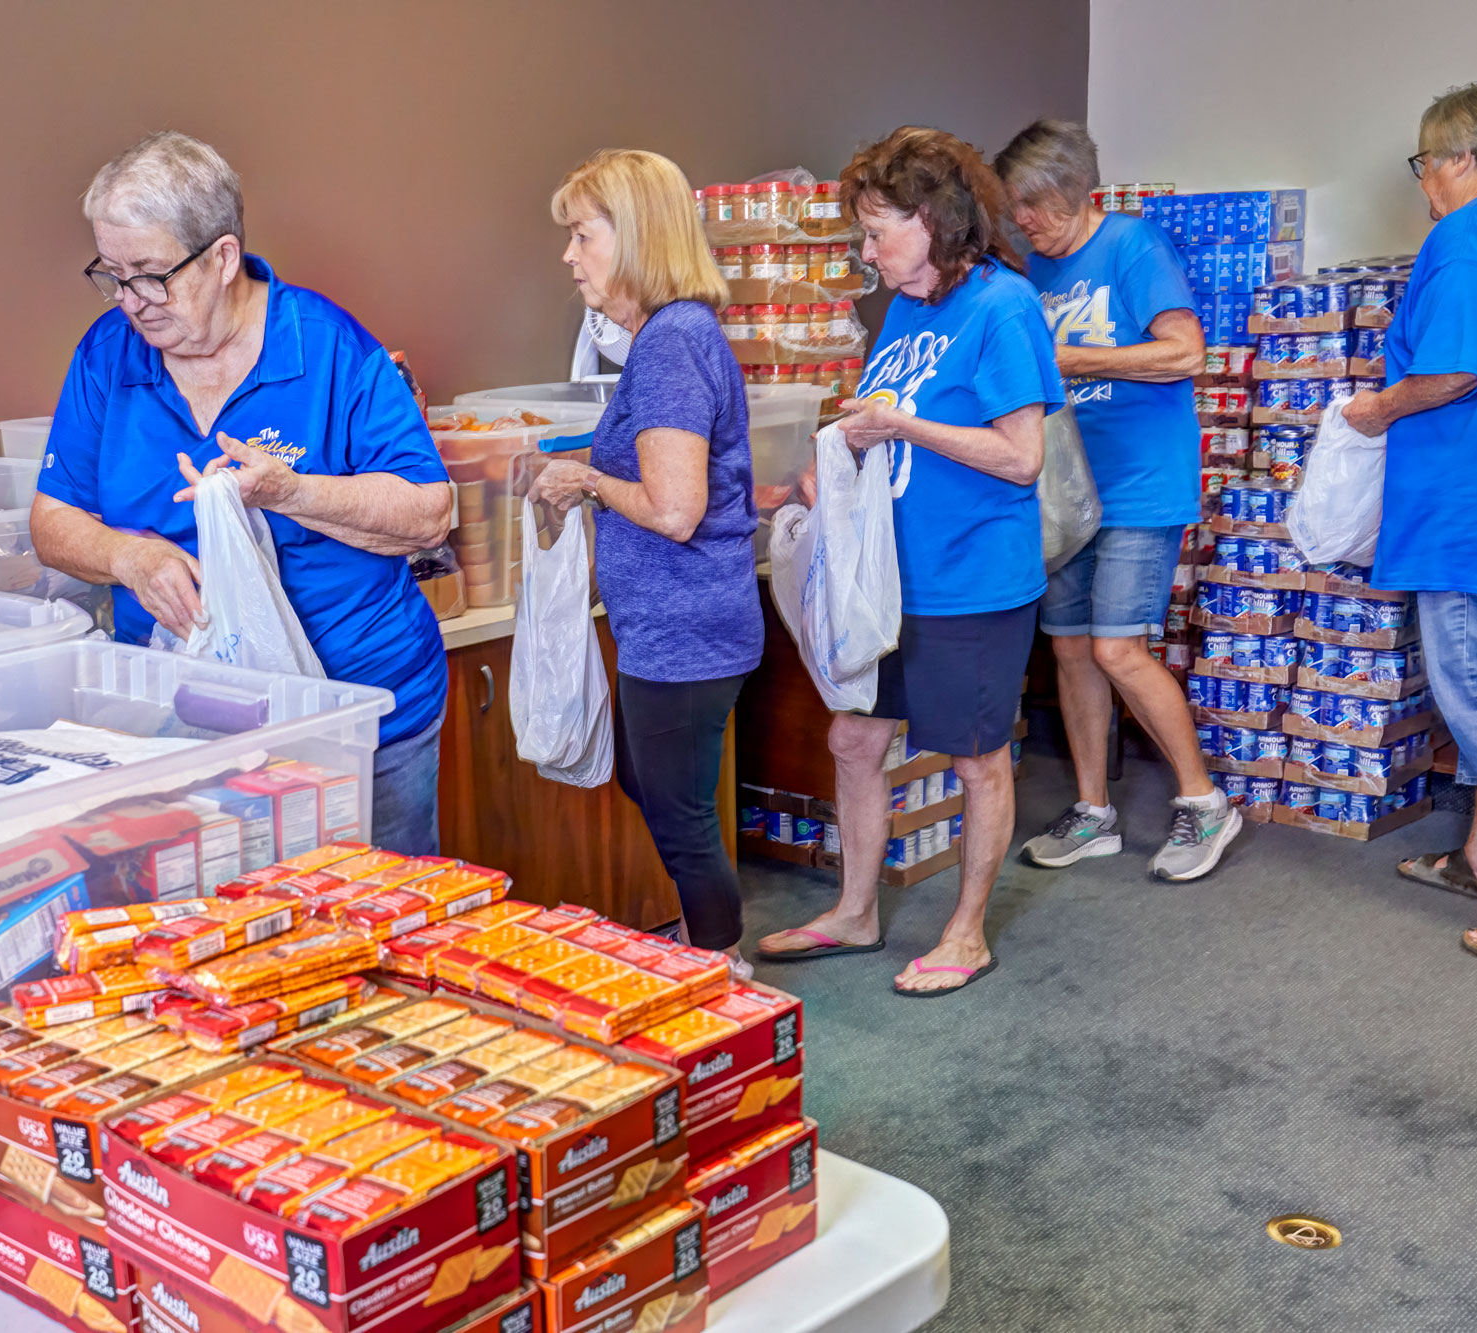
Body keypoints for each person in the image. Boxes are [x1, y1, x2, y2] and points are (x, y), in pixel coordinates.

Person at [29, 131, 453, 853]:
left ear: (222, 258)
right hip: (185, 722)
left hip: (362, 719)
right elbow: (52, 517)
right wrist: (128, 558)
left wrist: (290, 491)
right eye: (113, 274)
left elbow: (428, 513)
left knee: (376, 928)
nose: (132, 301)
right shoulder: (108, 355)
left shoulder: (325, 347)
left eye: (152, 274)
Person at [757, 126, 1064, 997]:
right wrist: (827, 469)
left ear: (934, 220)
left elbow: (1020, 456)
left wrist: (900, 427)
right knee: (853, 736)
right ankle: (856, 911)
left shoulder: (1002, 307)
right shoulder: (902, 310)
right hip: (888, 572)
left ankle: (966, 934)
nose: (867, 249)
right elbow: (883, 420)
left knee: (976, 760)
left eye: (877, 229)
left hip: (972, 581)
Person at [527, 149, 762, 977]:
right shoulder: (672, 338)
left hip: (684, 627)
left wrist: (587, 479)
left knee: (678, 809)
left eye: (582, 235)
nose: (569, 255)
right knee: (649, 779)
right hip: (677, 623)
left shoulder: (668, 345)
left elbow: (674, 508)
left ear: (633, 238)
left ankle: (720, 967)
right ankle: (711, 947)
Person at [994, 119, 1241, 881]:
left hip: (1139, 485)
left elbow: (1185, 352)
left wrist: (1072, 358)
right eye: (1015, 208)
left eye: (1032, 205)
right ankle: (1094, 810)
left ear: (1071, 190)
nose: (1022, 222)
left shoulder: (1135, 247)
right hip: (1065, 487)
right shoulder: (1035, 269)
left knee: (1116, 648)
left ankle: (1205, 804)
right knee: (1069, 649)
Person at [1338, 78, 1477, 962]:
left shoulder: (1469, 236)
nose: (1422, 180)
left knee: (1476, 698)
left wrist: (1376, 410)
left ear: (1463, 159)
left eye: (1425, 162)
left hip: (1469, 508)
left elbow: (1451, 372)